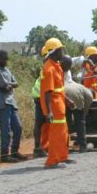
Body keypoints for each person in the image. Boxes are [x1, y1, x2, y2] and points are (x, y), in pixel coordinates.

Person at [41, 38, 72, 168]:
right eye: (60, 50)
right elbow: (48, 92)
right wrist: (49, 112)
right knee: (55, 134)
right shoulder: (49, 69)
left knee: (63, 133)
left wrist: (67, 100)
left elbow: (59, 88)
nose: (62, 53)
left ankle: (62, 157)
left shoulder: (56, 66)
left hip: (60, 106)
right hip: (54, 107)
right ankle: (52, 161)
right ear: (53, 52)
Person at [0, 50, 26, 163]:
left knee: (18, 127)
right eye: (4, 59)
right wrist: (10, 85)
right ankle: (4, 155)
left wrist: (10, 85)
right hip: (3, 103)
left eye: (6, 59)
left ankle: (14, 151)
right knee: (6, 130)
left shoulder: (7, 70)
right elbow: (3, 86)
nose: (5, 61)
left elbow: (15, 83)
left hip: (12, 102)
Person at [64, 75, 94, 154]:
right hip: (75, 96)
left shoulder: (79, 86)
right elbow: (85, 109)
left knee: (66, 122)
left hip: (64, 94)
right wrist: (84, 114)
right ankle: (83, 146)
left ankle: (64, 146)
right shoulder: (89, 94)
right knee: (80, 122)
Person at [31, 54, 47, 158]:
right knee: (45, 123)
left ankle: (38, 148)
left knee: (39, 124)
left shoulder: (43, 70)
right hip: (43, 98)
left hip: (38, 97)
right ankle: (42, 147)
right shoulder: (48, 70)